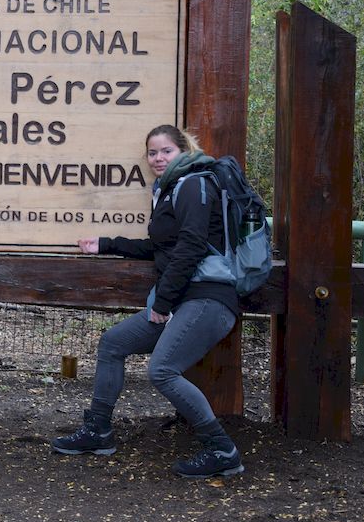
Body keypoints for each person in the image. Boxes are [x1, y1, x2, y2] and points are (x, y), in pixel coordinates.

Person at [52, 124, 243, 478]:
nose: (158, 158)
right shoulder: (168, 189)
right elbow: (161, 248)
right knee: (113, 343)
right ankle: (98, 431)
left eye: (166, 151)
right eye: (152, 152)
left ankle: (221, 449)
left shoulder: (194, 184)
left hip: (207, 299)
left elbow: (191, 247)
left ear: (183, 150)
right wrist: (106, 243)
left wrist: (163, 304)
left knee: (162, 370)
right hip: (184, 301)